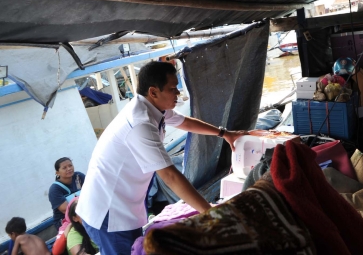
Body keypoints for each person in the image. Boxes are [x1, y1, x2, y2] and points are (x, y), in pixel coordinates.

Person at [77, 61, 248, 255]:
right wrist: (210, 212)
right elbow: (170, 176)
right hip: (109, 213)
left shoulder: (154, 108)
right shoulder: (139, 123)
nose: (177, 93)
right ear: (153, 92)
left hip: (126, 206)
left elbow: (184, 122)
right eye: (173, 89)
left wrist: (224, 134)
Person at [48, 158, 85, 229]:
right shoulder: (55, 189)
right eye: (64, 168)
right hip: (67, 219)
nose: (69, 169)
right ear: (57, 172)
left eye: (70, 165)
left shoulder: (79, 176)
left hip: (84, 212)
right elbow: (66, 210)